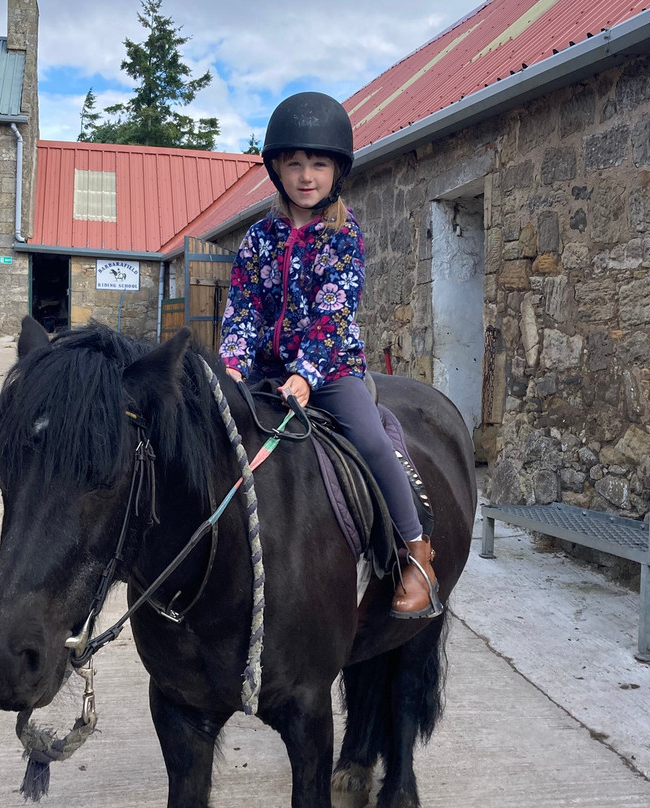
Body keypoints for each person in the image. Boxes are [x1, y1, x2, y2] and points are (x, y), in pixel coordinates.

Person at [218, 91, 441, 619]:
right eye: (293, 163)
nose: (305, 175)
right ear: (276, 169)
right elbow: (244, 308)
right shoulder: (258, 238)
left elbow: (333, 315)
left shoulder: (344, 235)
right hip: (263, 371)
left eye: (318, 163)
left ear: (337, 170)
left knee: (369, 438)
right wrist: (231, 361)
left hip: (332, 369)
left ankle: (416, 551)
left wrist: (307, 375)